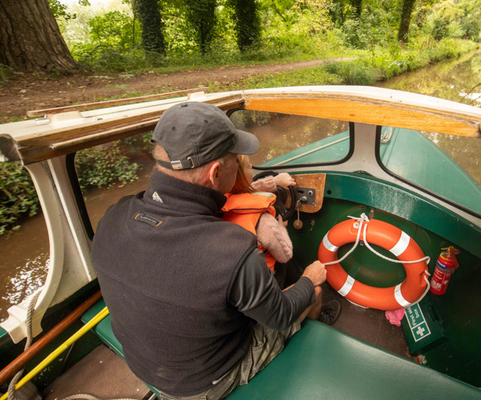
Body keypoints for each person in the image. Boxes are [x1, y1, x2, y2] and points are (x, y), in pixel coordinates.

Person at [91, 102, 335, 400]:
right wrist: (309, 278)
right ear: (216, 173)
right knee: (313, 293)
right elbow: (279, 315)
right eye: (236, 160)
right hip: (204, 383)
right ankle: (307, 350)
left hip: (144, 365)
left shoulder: (114, 215)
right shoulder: (230, 249)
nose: (242, 164)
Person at [222, 156, 341, 324]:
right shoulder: (263, 221)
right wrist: (282, 227)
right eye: (250, 167)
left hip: (240, 280)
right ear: (240, 175)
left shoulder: (220, 200)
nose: (252, 170)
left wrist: (275, 181)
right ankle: (314, 317)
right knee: (310, 285)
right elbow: (285, 253)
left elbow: (247, 189)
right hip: (266, 282)